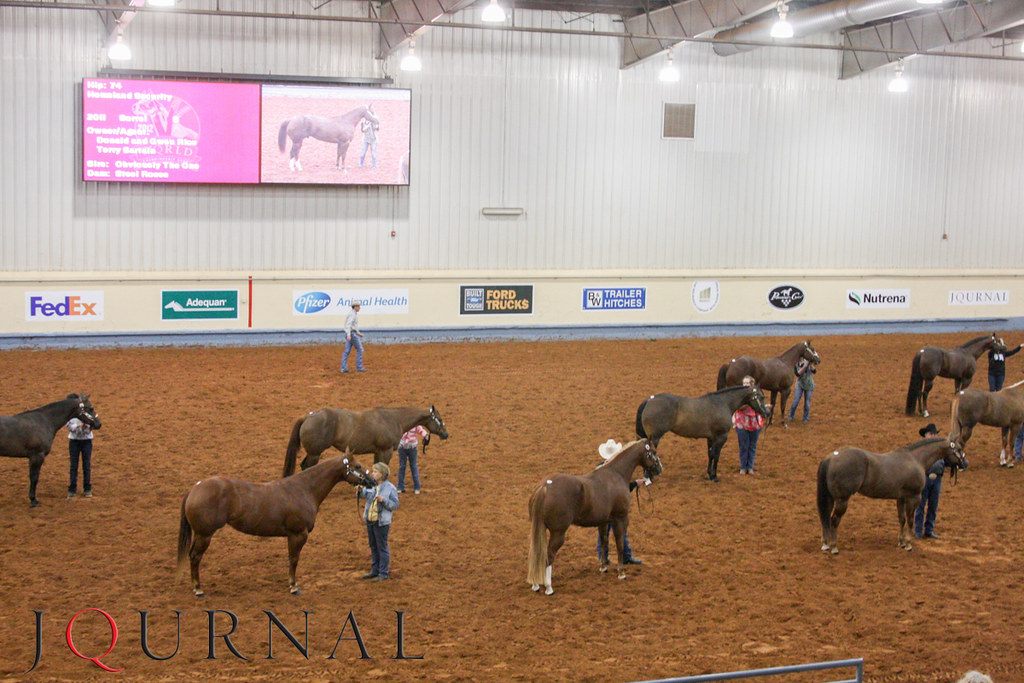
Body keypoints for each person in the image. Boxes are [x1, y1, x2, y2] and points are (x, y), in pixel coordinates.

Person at [594, 440, 642, 565]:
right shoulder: (617, 470)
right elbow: (622, 489)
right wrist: (635, 484)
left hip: (603, 506)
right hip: (614, 506)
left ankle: (603, 557)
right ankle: (625, 556)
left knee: (603, 533)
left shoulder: (599, 468)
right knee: (620, 531)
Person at [358, 463, 400, 581]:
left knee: (381, 546)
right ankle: (375, 570)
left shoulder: (390, 488)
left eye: (375, 472)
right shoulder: (370, 485)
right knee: (373, 546)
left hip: (381, 522)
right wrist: (359, 492)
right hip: (370, 519)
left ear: (382, 474)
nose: (373, 473)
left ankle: (383, 572)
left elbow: (395, 505)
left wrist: (384, 500)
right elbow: (363, 495)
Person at [66, 394, 100, 499]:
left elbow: (92, 424)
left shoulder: (85, 413)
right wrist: (78, 427)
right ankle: (72, 488)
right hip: (75, 441)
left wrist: (86, 427)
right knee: (74, 466)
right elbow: (69, 426)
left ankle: (87, 488)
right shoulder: (71, 415)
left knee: (86, 465)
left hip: (86, 441)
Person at [914, 422, 943, 539]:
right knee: (920, 505)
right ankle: (918, 530)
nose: (932, 436)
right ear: (926, 435)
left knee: (933, 506)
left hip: (937, 478)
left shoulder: (940, 449)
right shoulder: (921, 449)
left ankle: (929, 530)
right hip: (925, 478)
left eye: (934, 434)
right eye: (930, 434)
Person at [735, 376, 767, 474]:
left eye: (747, 383)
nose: (745, 385)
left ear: (752, 384)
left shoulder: (757, 394)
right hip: (742, 423)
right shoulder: (739, 395)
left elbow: (761, 405)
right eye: (744, 383)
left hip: (754, 423)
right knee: (744, 446)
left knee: (752, 446)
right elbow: (738, 407)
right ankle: (743, 466)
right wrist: (751, 404)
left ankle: (750, 467)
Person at [397, 425, 429, 494]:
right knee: (403, 466)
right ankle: (400, 487)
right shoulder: (402, 422)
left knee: (412, 466)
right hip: (403, 447)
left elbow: (420, 430)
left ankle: (417, 487)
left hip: (411, 447)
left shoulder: (415, 423)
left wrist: (425, 435)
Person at [787, 358, 817, 423]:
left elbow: (814, 371)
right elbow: (797, 374)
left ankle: (805, 417)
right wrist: (805, 367)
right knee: (796, 401)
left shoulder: (808, 361)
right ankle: (791, 415)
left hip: (809, 385)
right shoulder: (795, 364)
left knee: (807, 403)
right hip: (800, 385)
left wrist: (811, 366)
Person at [340, 300, 365, 373]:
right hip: (352, 334)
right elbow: (349, 325)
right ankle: (359, 367)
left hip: (351, 333)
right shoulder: (352, 314)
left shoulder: (352, 314)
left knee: (346, 351)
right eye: (358, 306)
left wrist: (358, 333)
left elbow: (351, 326)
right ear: (355, 307)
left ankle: (343, 368)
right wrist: (349, 334)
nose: (359, 308)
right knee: (360, 350)